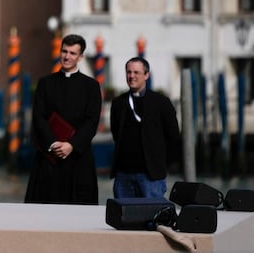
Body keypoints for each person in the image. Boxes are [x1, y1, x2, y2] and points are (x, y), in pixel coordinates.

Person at [25, 34, 101, 205]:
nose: (67, 57)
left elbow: (92, 122)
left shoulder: (91, 86)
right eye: (64, 51)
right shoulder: (45, 83)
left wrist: (71, 145)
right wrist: (53, 144)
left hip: (78, 159)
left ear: (80, 57)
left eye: (73, 53)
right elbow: (38, 117)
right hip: (49, 159)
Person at [110, 57, 181, 198]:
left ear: (146, 75)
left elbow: (173, 136)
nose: (132, 76)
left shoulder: (161, 102)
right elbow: (116, 133)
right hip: (123, 175)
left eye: (136, 72)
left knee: (153, 218)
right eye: (129, 72)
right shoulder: (118, 103)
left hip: (151, 176)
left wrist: (161, 164)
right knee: (123, 219)